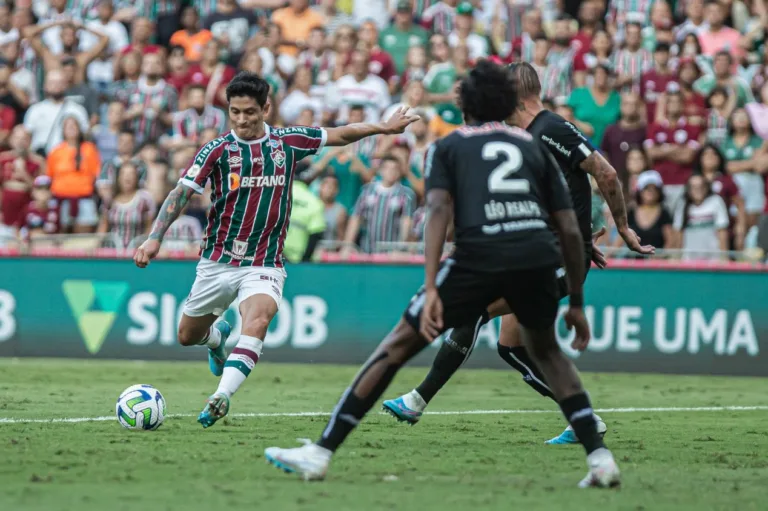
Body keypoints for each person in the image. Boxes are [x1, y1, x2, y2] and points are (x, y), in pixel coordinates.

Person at [264, 60, 622, 488]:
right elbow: (567, 222)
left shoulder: (449, 147)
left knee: (397, 345)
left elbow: (439, 216)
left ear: (465, 106)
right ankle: (600, 460)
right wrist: (576, 300)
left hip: (480, 257)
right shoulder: (532, 145)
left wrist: (433, 285)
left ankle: (321, 453)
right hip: (536, 257)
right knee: (547, 352)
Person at [381, 62, 654, 446]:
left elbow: (605, 173)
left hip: (553, 262)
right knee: (513, 348)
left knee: (474, 309)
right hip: (544, 254)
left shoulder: (550, 127)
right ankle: (584, 420)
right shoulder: (527, 138)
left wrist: (623, 228)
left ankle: (418, 399)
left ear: (518, 95)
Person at [132, 71, 419, 428]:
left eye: (249, 112)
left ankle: (222, 395)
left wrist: (384, 128)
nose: (241, 119)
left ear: (266, 108)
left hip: (265, 262)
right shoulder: (217, 150)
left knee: (258, 319)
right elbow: (181, 192)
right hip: (218, 260)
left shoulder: (287, 141)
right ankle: (218, 338)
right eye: (234, 112)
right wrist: (154, 237)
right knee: (186, 336)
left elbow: (340, 134)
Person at [341, 155, 417, 254]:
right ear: (381, 170)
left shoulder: (406, 194)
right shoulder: (367, 190)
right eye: (387, 168)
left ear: (399, 172)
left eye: (395, 169)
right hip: (367, 251)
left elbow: (407, 222)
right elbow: (356, 217)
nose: (391, 172)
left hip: (392, 253)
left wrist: (401, 247)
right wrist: (347, 244)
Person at [46, 116, 101, 233]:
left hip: (84, 199)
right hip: (61, 200)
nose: (71, 128)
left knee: (82, 238)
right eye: (67, 125)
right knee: (61, 235)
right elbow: (50, 176)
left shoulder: (89, 149)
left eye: (74, 125)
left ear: (79, 129)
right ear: (63, 130)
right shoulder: (56, 151)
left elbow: (96, 174)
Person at [23, 69, 89, 156]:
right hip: (40, 160)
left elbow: (85, 136)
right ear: (45, 85)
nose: (56, 86)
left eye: (60, 82)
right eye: (52, 82)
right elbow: (26, 136)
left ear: (66, 85)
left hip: (68, 161)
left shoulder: (77, 110)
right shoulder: (35, 110)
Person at [693, 143, 746, 249]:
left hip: (723, 228)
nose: (710, 158)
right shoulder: (694, 180)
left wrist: (740, 229)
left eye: (714, 154)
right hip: (698, 228)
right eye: (706, 155)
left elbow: (740, 204)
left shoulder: (726, 180)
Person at [97, 161, 155, 248]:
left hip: (136, 251)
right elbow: (103, 226)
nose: (127, 177)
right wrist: (96, 246)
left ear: (136, 177)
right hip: (112, 251)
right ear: (118, 177)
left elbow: (149, 228)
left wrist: (144, 248)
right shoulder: (110, 199)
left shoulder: (145, 199)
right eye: (124, 173)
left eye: (131, 173)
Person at [673, 173, 729, 260]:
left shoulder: (716, 201)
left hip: (713, 259)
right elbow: (678, 233)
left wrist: (724, 258)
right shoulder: (682, 204)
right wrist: (676, 258)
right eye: (694, 187)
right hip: (689, 260)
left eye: (701, 186)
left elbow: (722, 232)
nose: (698, 190)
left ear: (706, 187)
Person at [619, 170, 673, 253]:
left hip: (657, 263)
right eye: (647, 188)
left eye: (655, 188)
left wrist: (660, 258)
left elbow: (669, 242)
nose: (651, 192)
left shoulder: (665, 213)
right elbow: (621, 238)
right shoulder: (631, 212)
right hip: (632, 262)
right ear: (640, 190)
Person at [283, 178, 326, 263]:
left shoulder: (277, 195)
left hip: (275, 255)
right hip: (299, 258)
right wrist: (304, 261)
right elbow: (316, 233)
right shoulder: (314, 201)